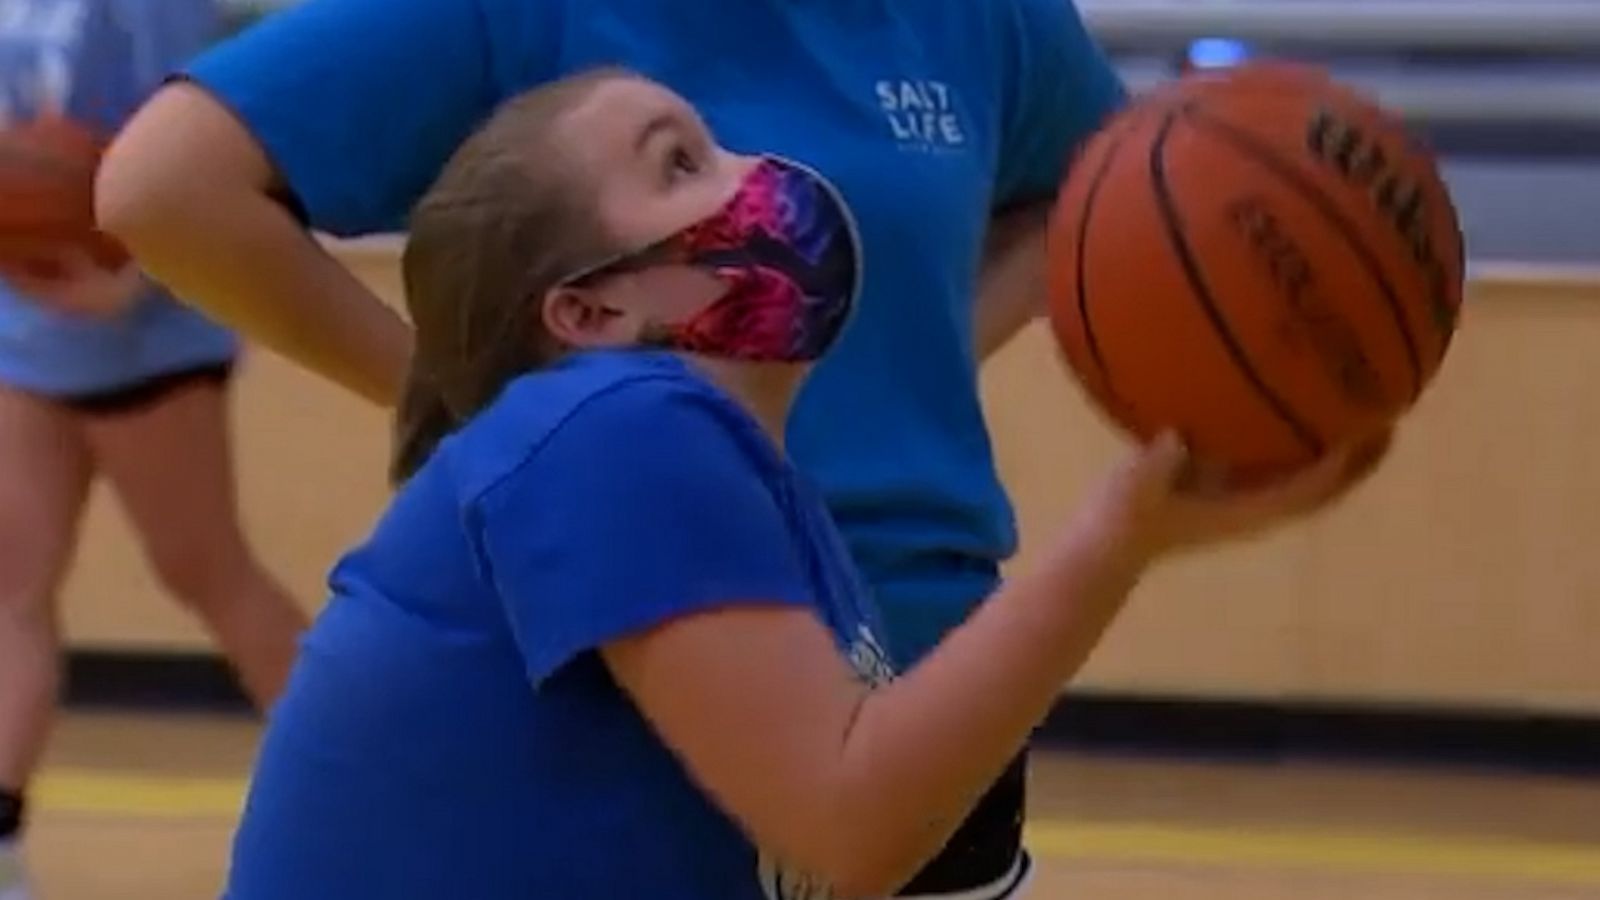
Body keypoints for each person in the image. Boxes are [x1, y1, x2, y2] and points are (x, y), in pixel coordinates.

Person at [88, 0, 1326, 894]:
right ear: (583, 314)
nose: (769, 175)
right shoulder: (617, 434)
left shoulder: (749, 490)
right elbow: (848, 820)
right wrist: (1123, 534)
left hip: (879, 665)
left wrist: (938, 338)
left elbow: (1096, 179)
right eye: (685, 163)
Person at [0, 4, 307, 897]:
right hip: (26, 327)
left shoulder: (150, 9)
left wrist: (134, 277)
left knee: (206, 572)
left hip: (144, 331)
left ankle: (381, 792)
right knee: (13, 585)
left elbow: (217, 143)